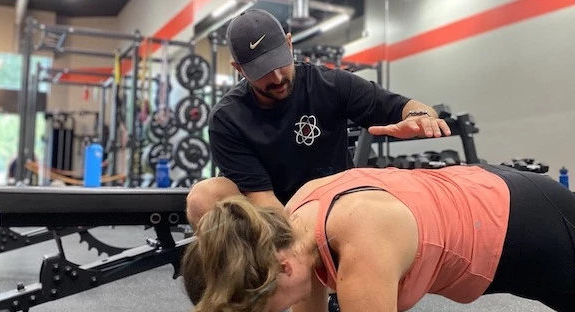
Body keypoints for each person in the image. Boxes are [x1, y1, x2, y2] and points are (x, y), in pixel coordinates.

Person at [181, 163, 575, 312]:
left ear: (281, 268)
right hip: (482, 193)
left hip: (524, 225)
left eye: (266, 311)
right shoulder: (293, 229)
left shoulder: (359, 242)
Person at [185, 8, 451, 228]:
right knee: (204, 197)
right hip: (266, 216)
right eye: (262, 71)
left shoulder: (330, 84)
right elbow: (261, 199)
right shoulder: (227, 118)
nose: (277, 78)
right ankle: (247, 283)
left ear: (289, 44)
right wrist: (300, 245)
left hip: (333, 204)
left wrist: (420, 117)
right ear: (239, 69)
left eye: (280, 62)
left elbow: (409, 107)